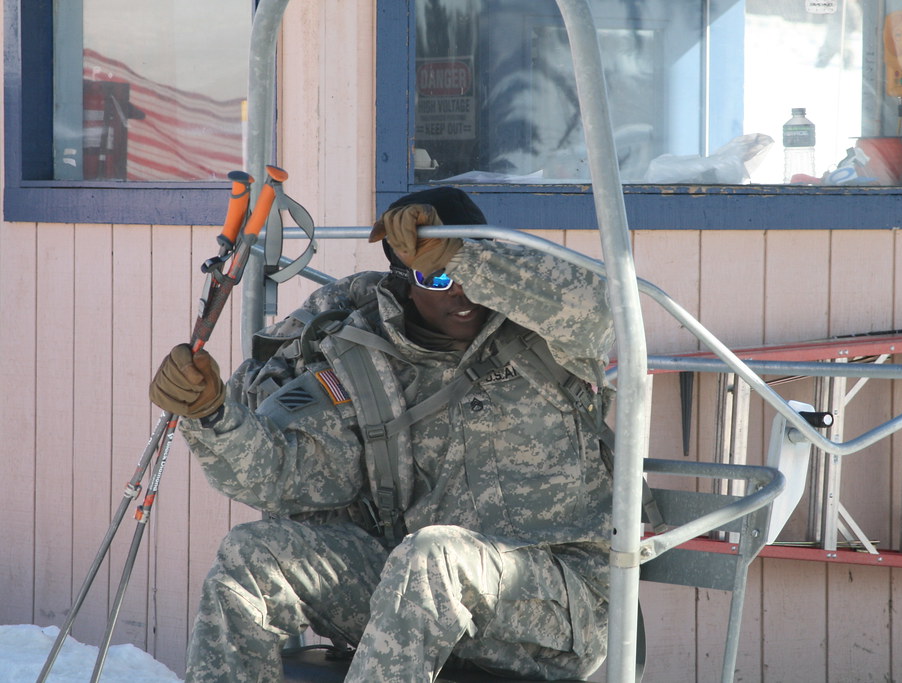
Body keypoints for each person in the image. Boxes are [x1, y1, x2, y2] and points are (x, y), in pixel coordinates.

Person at [149, 187, 616, 682]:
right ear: (404, 280)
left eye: (468, 272)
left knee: (433, 556)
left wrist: (467, 257)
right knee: (252, 554)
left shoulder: (547, 335)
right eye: (437, 275)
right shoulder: (368, 361)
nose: (460, 291)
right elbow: (283, 476)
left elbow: (602, 308)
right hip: (417, 605)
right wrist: (213, 416)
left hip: (556, 607)